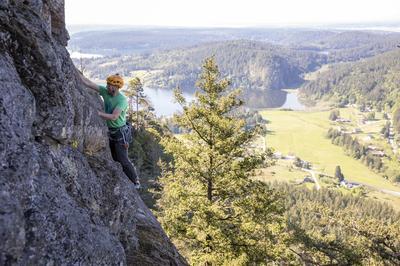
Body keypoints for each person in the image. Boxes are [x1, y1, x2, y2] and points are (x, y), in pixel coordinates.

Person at [79, 71, 140, 189]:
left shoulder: (121, 100)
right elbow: (88, 83)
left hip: (120, 133)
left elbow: (114, 116)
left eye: (110, 85)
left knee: (122, 159)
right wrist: (76, 75)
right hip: (112, 132)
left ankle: (135, 181)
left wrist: (98, 113)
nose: (107, 86)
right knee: (114, 158)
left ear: (116, 87)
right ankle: (124, 180)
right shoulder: (105, 92)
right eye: (107, 84)